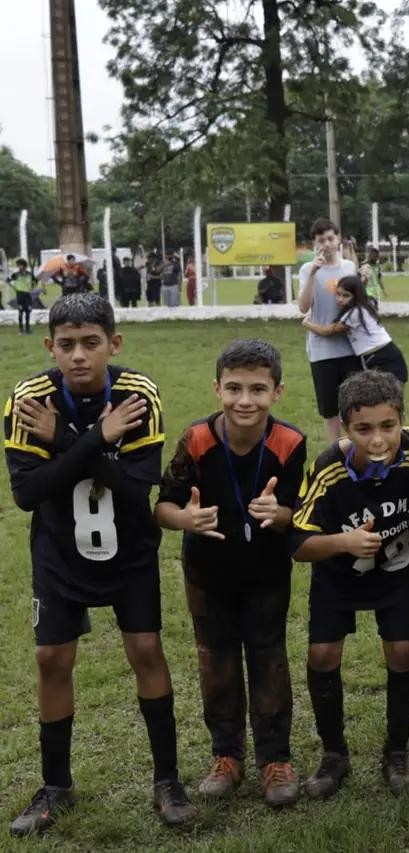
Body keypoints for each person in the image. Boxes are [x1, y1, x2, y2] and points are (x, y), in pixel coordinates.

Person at [4, 293, 197, 835]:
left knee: (145, 649)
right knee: (50, 658)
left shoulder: (137, 394)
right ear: (50, 347)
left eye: (91, 343)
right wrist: (97, 442)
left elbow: (138, 491)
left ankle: (167, 779)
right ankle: (56, 785)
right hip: (59, 551)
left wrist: (67, 440)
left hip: (129, 548)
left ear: (114, 343)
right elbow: (27, 492)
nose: (79, 356)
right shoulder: (28, 397)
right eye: (66, 345)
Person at [154, 339, 307, 807]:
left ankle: (275, 759)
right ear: (217, 387)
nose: (246, 400)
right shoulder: (196, 439)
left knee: (269, 659)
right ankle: (227, 755)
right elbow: (162, 507)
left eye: (258, 389)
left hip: (265, 572)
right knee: (214, 661)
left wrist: (277, 514)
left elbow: (302, 514)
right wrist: (186, 520)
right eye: (234, 388)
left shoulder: (290, 443)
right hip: (207, 573)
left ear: (277, 392)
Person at [290, 371, 409, 799]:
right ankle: (334, 754)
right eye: (363, 429)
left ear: (402, 420)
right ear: (345, 428)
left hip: (396, 572)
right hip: (339, 575)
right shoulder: (328, 467)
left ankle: (397, 750)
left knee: (404, 651)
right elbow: (297, 543)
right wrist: (344, 542)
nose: (377, 440)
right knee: (322, 654)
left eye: (388, 427)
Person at [298, 218, 362, 442]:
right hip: (321, 350)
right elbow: (303, 307)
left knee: (353, 403)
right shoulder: (308, 269)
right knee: (329, 407)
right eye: (320, 240)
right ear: (315, 243)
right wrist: (314, 274)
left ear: (337, 239)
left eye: (330, 238)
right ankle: (335, 451)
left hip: (349, 347)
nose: (326, 244)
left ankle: (355, 446)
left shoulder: (348, 267)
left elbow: (357, 303)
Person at [303, 276, 408, 384]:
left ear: (356, 296)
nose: (340, 299)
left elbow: (328, 331)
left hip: (382, 357)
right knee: (385, 396)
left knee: (389, 396)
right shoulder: (362, 307)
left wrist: (307, 323)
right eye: (338, 294)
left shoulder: (355, 313)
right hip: (380, 355)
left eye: (346, 296)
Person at [10, 257, 35, 333]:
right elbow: (9, 280)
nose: (20, 267)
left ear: (24, 266)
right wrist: (14, 287)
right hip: (20, 295)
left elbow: (35, 281)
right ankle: (21, 329)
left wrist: (32, 287)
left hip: (27, 295)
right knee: (20, 312)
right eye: (18, 265)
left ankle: (27, 328)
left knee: (28, 311)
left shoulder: (29, 274)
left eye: (21, 265)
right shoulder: (16, 274)